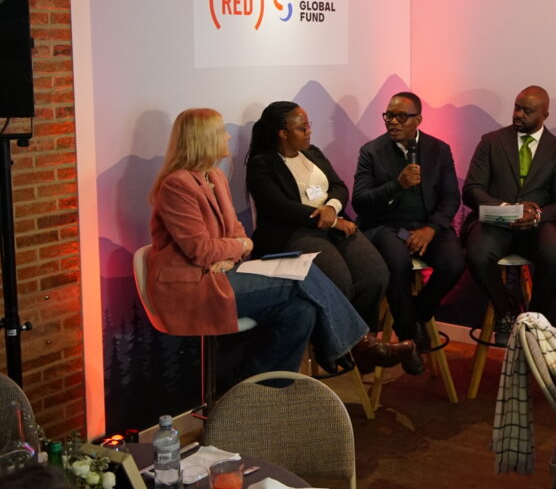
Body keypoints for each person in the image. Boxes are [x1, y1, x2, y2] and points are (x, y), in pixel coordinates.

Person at [148, 108, 413, 378]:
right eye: (220, 133)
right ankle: (359, 344)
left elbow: (235, 229)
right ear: (202, 140)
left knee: (302, 312)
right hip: (195, 286)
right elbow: (201, 249)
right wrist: (241, 246)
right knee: (305, 272)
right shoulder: (177, 185)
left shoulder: (214, 176)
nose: (228, 136)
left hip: (225, 271)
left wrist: (237, 247)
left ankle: (264, 395)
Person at [245, 101, 389, 340]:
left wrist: (332, 207)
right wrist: (330, 220)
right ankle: (334, 344)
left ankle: (364, 340)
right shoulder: (262, 164)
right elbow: (278, 207)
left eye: (308, 125)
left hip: (332, 223)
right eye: (303, 128)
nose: (309, 131)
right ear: (283, 133)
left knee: (375, 274)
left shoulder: (313, 154)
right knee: (339, 280)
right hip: (294, 231)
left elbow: (339, 186)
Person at [352, 92, 465, 372]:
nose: (393, 122)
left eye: (401, 116)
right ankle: (409, 337)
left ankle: (418, 312)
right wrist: (396, 184)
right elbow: (360, 201)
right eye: (389, 115)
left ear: (418, 119)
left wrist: (431, 228)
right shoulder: (371, 151)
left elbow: (451, 197)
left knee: (454, 262)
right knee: (398, 263)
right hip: (385, 225)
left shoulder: (438, 149)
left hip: (428, 225)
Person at [462, 85, 556, 343]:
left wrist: (536, 216)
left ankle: (535, 319)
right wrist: (505, 210)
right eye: (516, 107)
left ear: (544, 115)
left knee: (553, 252)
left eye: (527, 111)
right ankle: (508, 309)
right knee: (477, 254)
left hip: (537, 225)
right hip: (496, 222)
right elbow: (471, 189)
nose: (518, 114)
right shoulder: (491, 142)